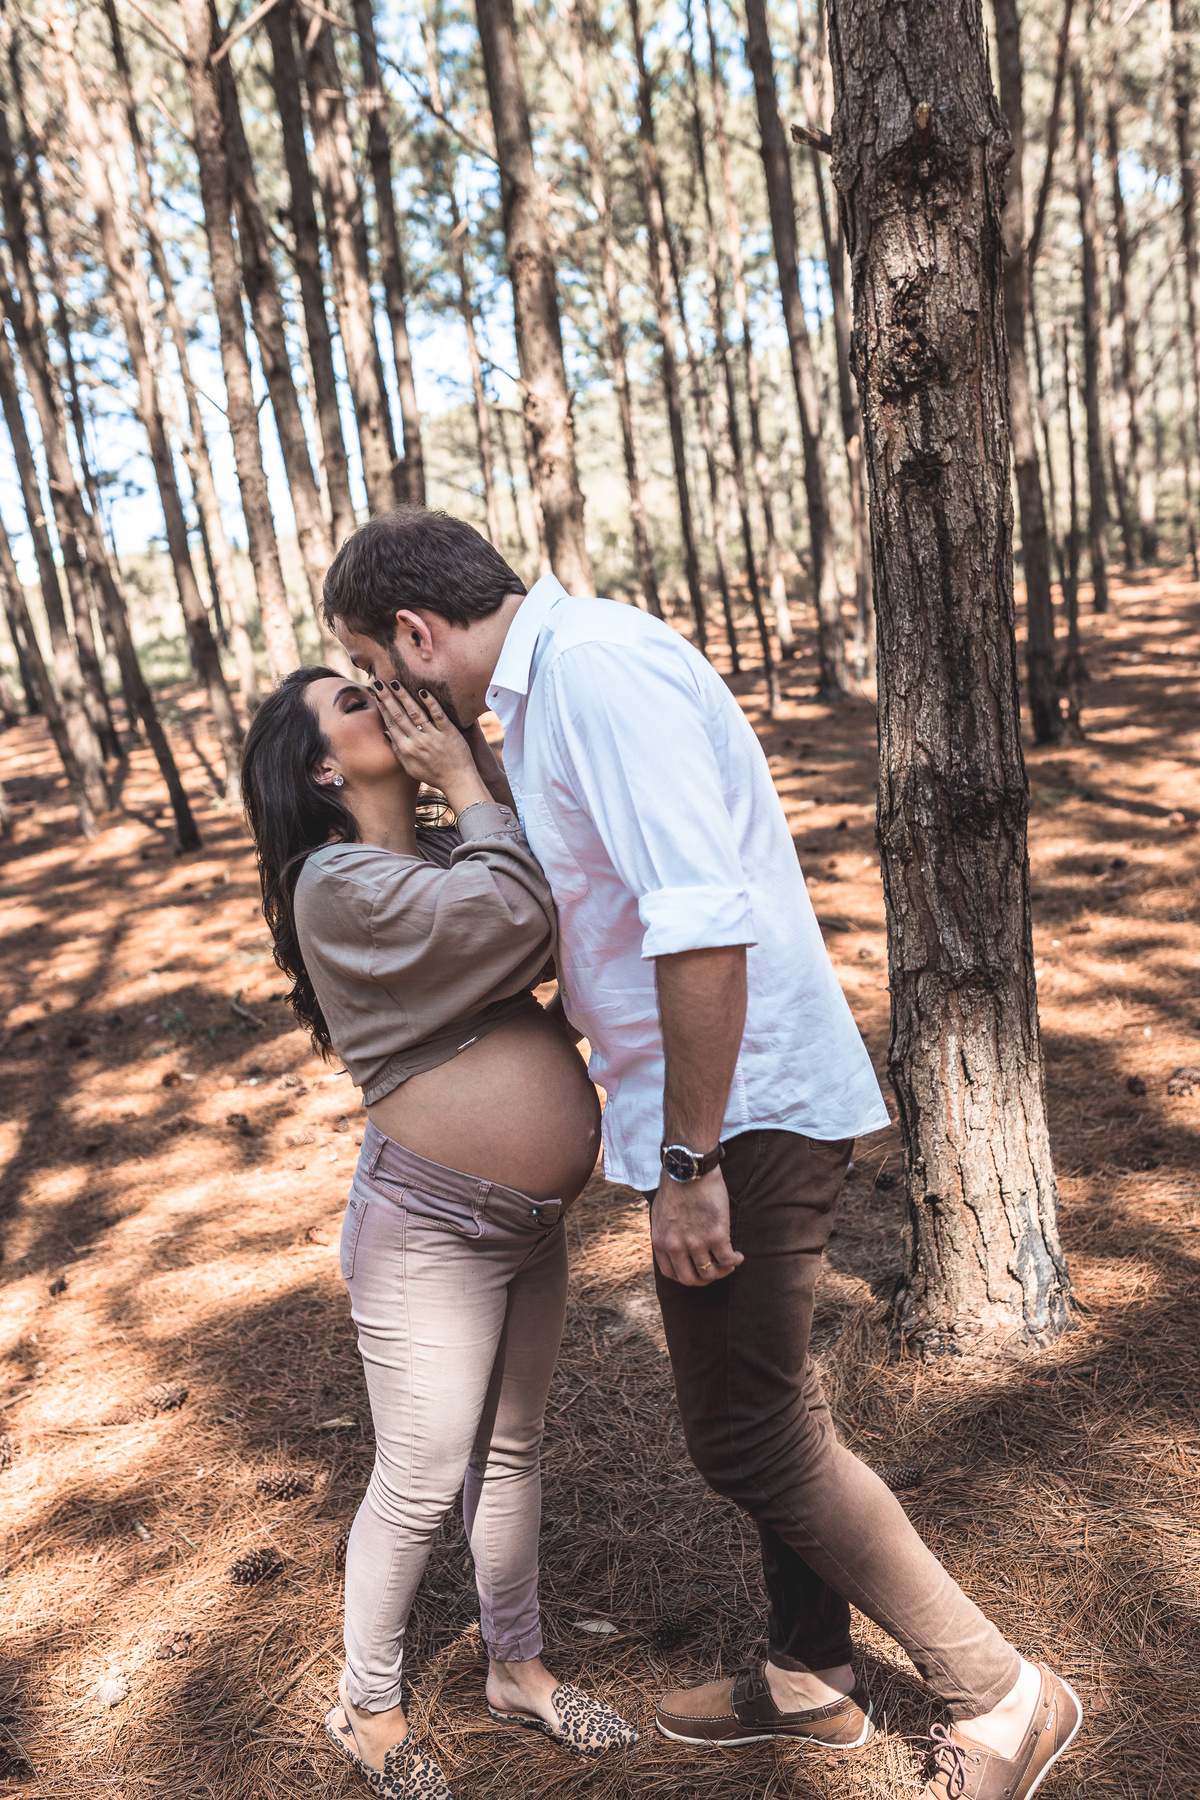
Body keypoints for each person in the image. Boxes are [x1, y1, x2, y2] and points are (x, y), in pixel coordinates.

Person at [321, 506, 1084, 1800]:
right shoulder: (550, 692)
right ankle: (808, 1675)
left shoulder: (596, 675)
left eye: (379, 667)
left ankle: (1002, 1692)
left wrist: (688, 1161)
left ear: (416, 630)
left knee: (745, 1437)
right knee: (768, 1404)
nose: (388, 699)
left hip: (741, 1115)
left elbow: (699, 924)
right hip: (708, 1110)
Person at [240, 668, 636, 1800]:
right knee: (419, 1480)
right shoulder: (334, 881)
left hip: (527, 1222)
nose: (388, 697)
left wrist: (476, 774)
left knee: (510, 1452)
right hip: (429, 1230)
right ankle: (367, 1710)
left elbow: (560, 888)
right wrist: (466, 776)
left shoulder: (430, 852)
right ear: (322, 767)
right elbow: (522, 916)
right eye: (355, 702)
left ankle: (516, 1668)